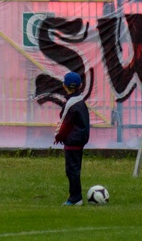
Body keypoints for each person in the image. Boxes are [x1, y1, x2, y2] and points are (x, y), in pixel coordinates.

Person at [53, 71, 89, 206]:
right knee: (75, 169)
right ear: (80, 85)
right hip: (80, 139)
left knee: (71, 170)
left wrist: (58, 136)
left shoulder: (70, 103)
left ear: (64, 86)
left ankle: (75, 198)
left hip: (72, 141)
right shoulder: (80, 100)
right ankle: (75, 196)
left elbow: (64, 122)